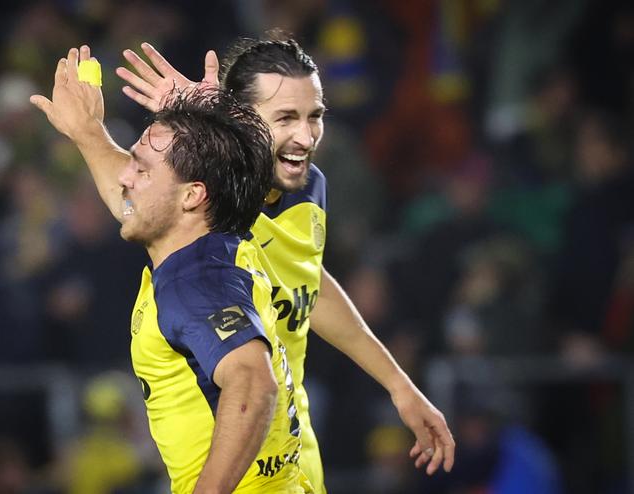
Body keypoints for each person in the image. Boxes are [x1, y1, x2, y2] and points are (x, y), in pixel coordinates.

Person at [113, 34, 456, 492]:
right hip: (230, 468)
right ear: (242, 120)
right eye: (286, 118)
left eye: (315, 116)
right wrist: (89, 131)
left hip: (295, 466)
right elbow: (137, 199)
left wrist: (399, 386)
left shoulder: (309, 186)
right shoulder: (205, 206)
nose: (306, 136)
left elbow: (305, 286)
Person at [32, 50, 310, 493]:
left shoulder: (194, 283)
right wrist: (88, 133)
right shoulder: (227, 245)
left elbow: (254, 386)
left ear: (193, 196)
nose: (126, 176)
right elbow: (138, 201)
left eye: (141, 168)